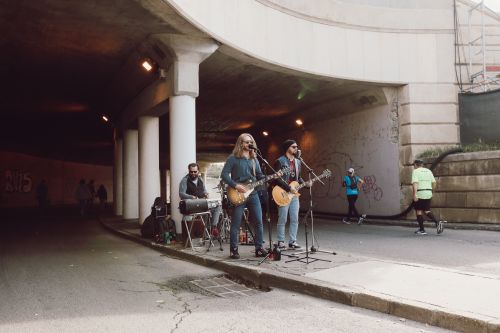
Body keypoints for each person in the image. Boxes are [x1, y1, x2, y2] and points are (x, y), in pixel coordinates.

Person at [221, 133, 268, 259]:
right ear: (241, 143)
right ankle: (234, 250)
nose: (249, 144)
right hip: (238, 194)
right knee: (236, 223)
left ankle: (259, 248)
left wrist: (270, 177)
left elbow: (259, 175)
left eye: (251, 142)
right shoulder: (233, 158)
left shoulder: (254, 159)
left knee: (258, 221)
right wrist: (235, 185)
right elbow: (224, 175)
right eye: (247, 142)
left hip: (253, 194)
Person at [274, 139, 308, 249]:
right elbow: (276, 179)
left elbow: (299, 178)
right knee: (282, 218)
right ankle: (280, 241)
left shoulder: (298, 162)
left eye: (297, 146)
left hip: (294, 195)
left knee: (294, 218)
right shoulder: (280, 161)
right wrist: (288, 188)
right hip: (283, 193)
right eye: (294, 147)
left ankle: (292, 241)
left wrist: (306, 184)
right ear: (288, 148)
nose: (296, 148)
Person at [179, 163, 221, 236]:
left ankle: (214, 227)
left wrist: (206, 194)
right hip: (192, 206)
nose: (193, 173)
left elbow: (204, 190)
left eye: (195, 172)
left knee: (217, 206)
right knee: (191, 218)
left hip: (201, 203)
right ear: (189, 171)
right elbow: (181, 194)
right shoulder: (184, 180)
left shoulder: (200, 179)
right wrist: (191, 197)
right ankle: (199, 235)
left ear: (198, 171)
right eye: (191, 172)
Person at [412, 159, 444, 235]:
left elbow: (415, 183)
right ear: (422, 165)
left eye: (414, 165)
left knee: (419, 211)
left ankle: (422, 230)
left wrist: (414, 194)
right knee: (426, 210)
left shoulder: (415, 171)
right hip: (428, 192)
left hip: (420, 193)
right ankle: (437, 222)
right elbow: (434, 183)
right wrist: (432, 192)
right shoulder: (428, 171)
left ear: (416, 165)